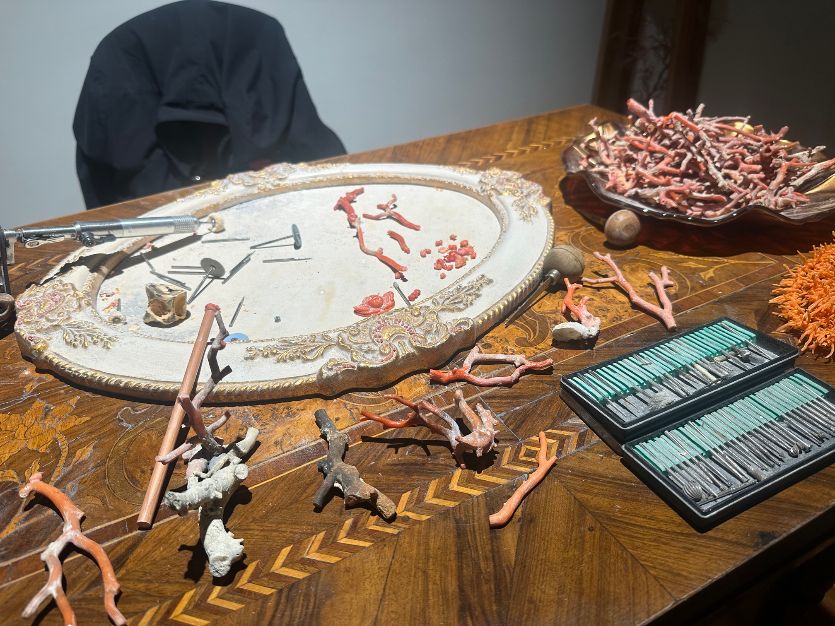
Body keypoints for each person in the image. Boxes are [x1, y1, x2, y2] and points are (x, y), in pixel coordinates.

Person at [73, 0, 346, 209]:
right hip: (275, 205)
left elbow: (100, 192)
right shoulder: (257, 35)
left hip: (157, 226)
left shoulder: (117, 58)